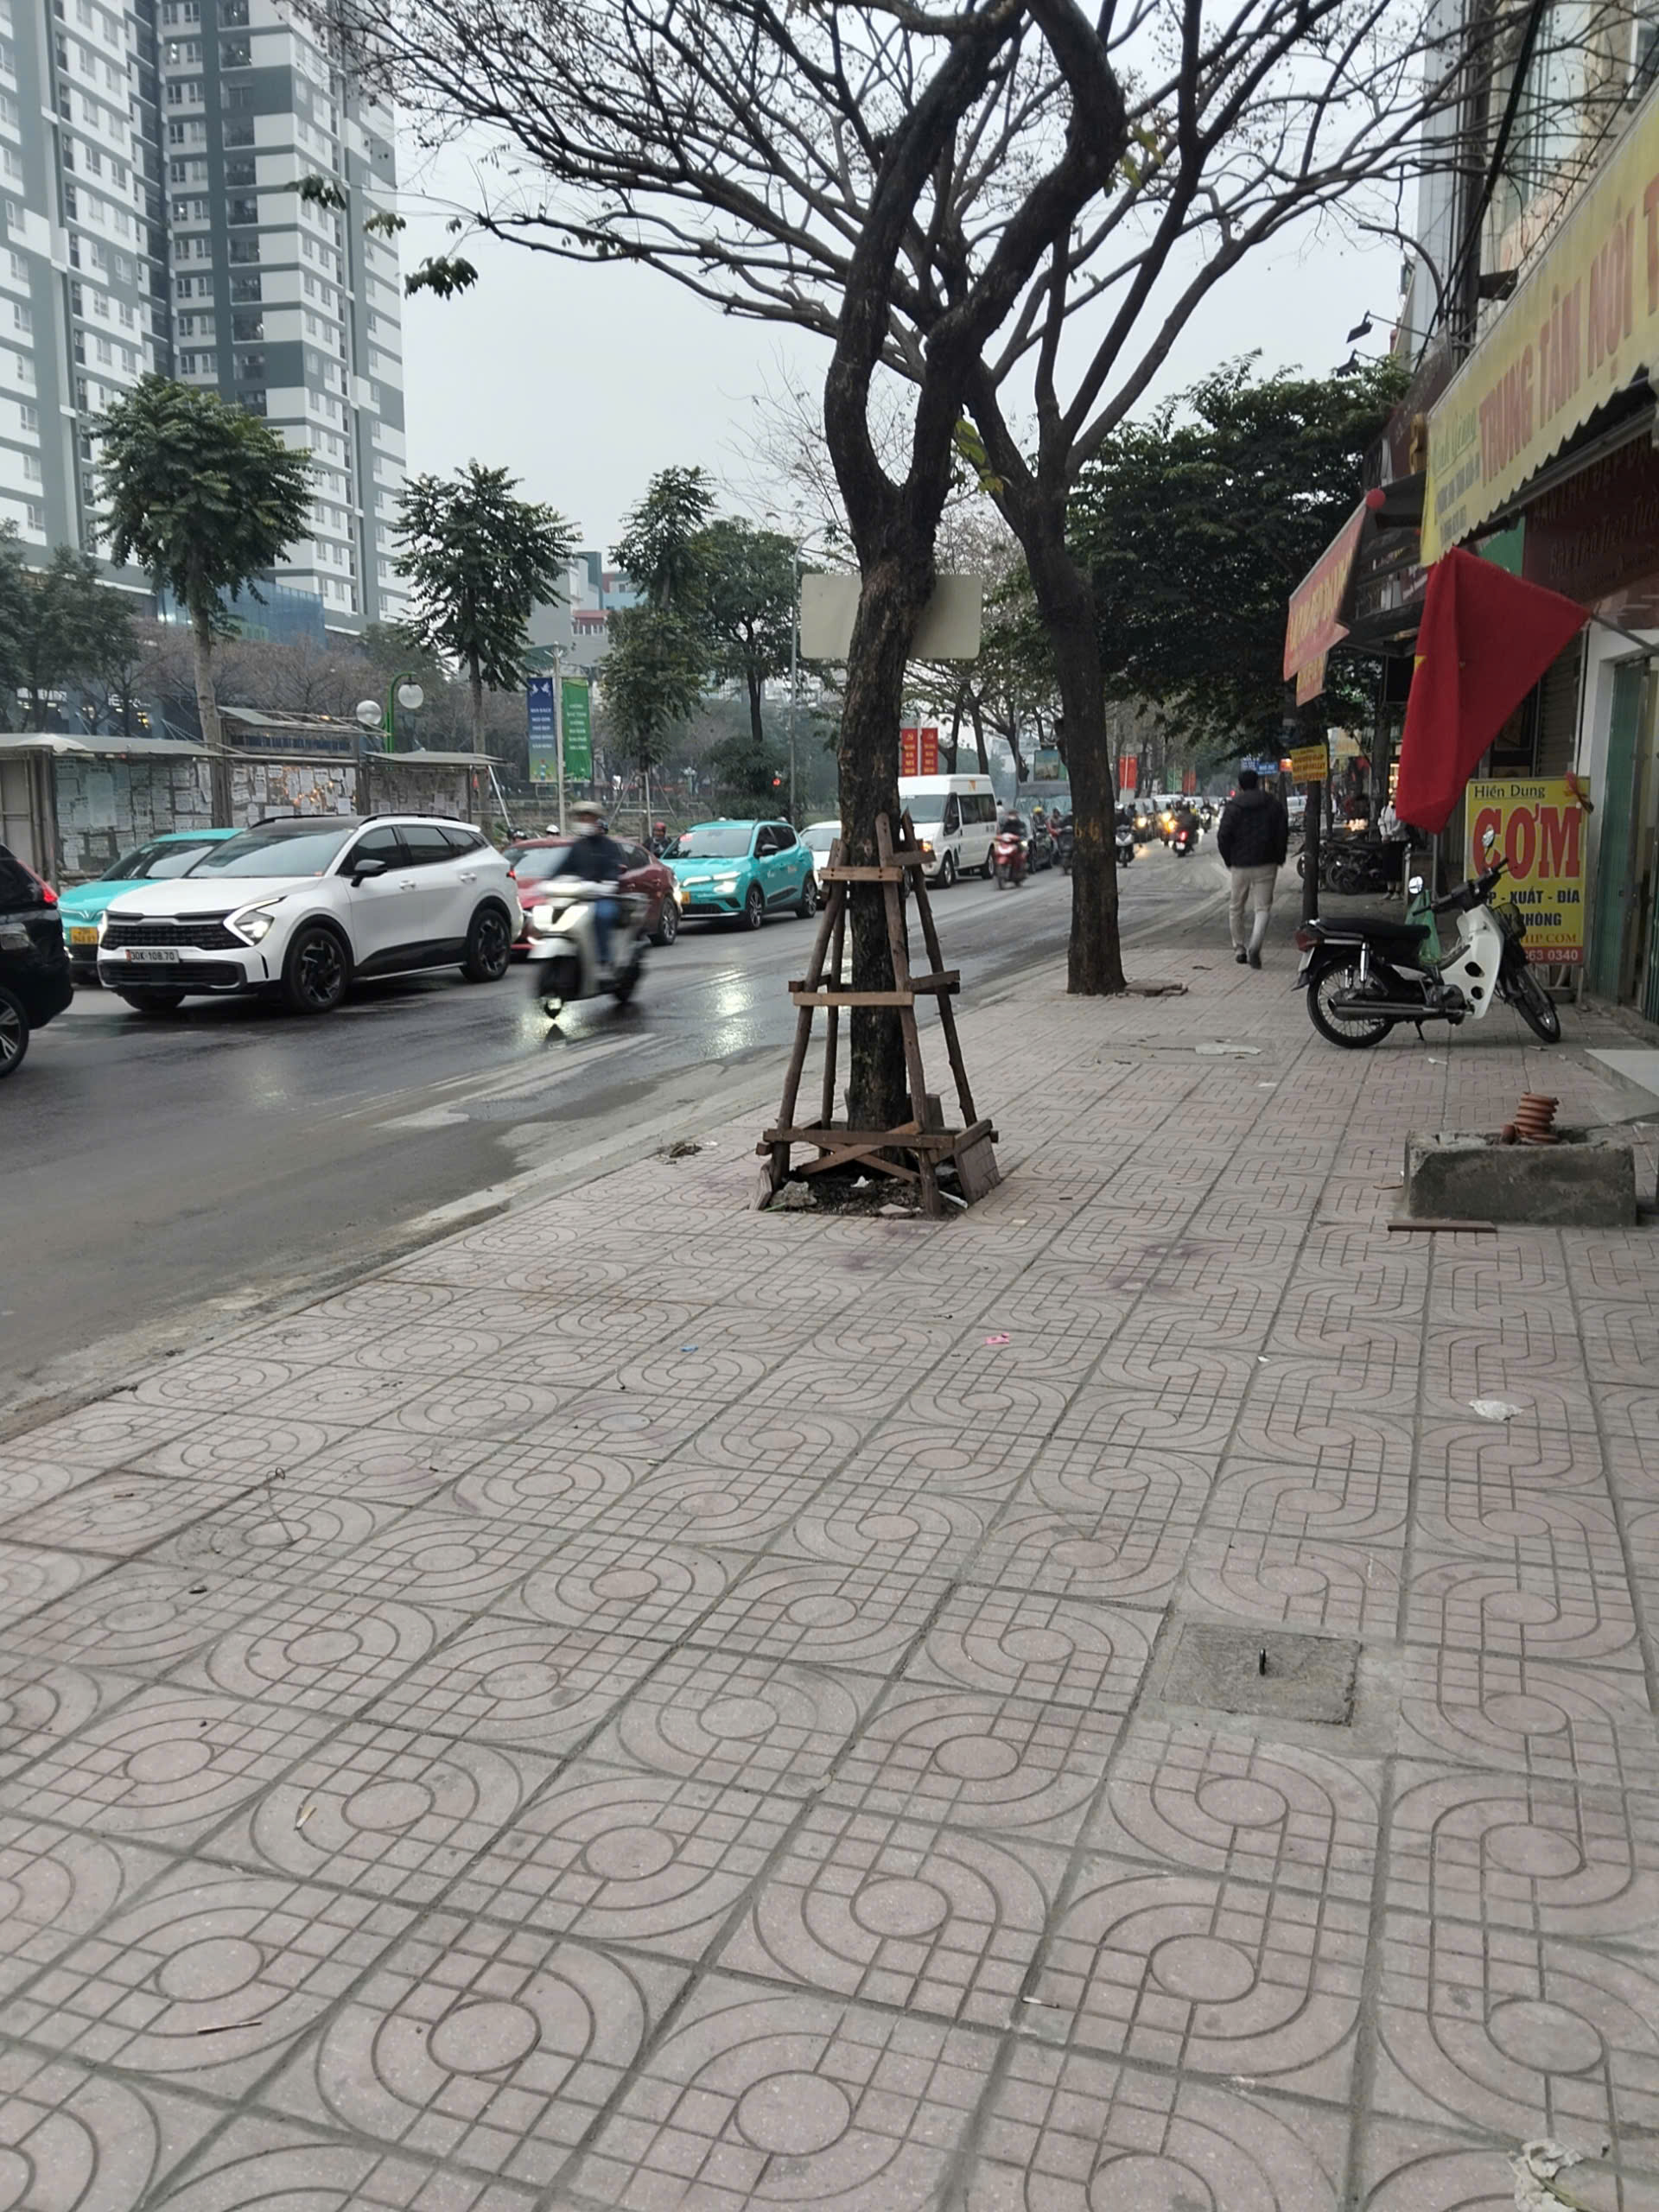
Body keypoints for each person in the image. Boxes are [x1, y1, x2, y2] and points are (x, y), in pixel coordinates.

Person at [1217, 768, 1289, 969]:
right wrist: (1279, 857)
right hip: (1267, 862)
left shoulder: (1233, 807)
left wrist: (1229, 859)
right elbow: (1282, 832)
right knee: (1263, 908)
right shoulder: (1272, 804)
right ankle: (1255, 945)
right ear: (1258, 783)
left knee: (1236, 907)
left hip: (1240, 864)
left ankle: (1239, 948)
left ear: (1240, 785)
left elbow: (1223, 836)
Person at [558, 799, 630, 970]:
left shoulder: (608, 846)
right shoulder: (577, 847)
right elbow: (562, 869)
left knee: (602, 915)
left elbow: (613, 871)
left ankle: (604, 960)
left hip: (602, 898)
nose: (584, 821)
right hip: (578, 898)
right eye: (581, 818)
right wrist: (548, 882)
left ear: (596, 820)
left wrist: (605, 885)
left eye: (587, 818)